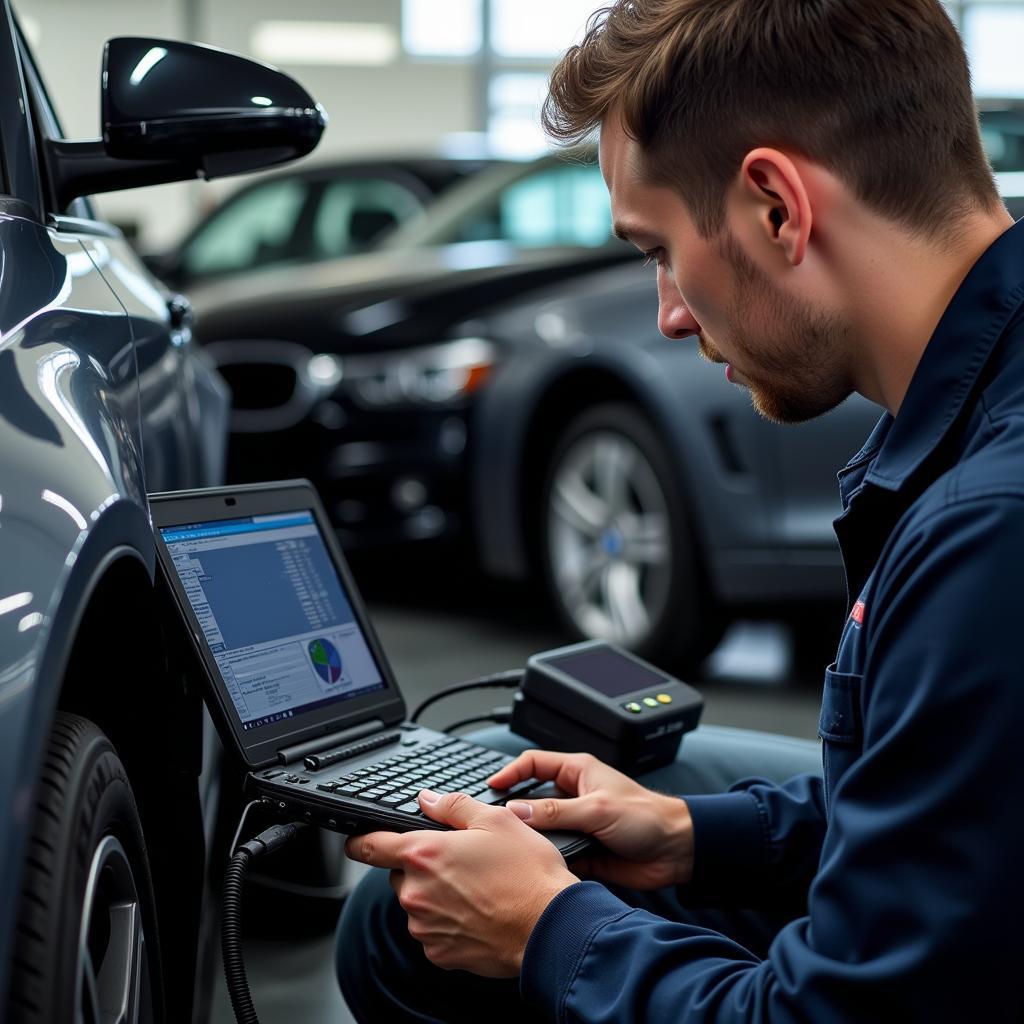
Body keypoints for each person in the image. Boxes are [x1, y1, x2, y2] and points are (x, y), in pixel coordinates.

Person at [338, 0, 1024, 1019]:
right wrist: (696, 832)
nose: (666, 312)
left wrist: (546, 929)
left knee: (415, 924)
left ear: (777, 207)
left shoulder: (985, 530)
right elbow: (969, 811)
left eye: (658, 248)